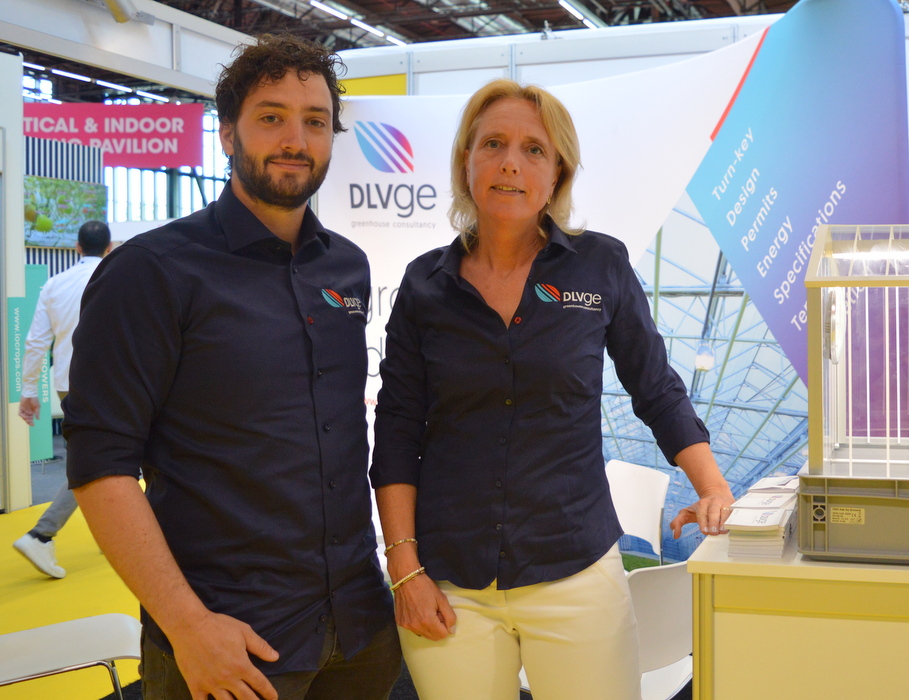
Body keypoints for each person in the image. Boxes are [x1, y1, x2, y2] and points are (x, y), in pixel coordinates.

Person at [371, 79, 735, 700]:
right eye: (493, 144)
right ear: (466, 160)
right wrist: (403, 568)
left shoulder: (599, 266)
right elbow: (398, 428)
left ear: (558, 172)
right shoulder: (424, 285)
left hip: (576, 573)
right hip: (451, 581)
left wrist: (713, 487)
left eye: (534, 149)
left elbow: (655, 387)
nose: (511, 163)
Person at [63, 34, 400, 700]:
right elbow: (100, 465)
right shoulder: (151, 272)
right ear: (226, 134)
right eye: (271, 117)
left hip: (360, 628)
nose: (295, 140)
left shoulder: (346, 268)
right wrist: (186, 625)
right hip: (228, 642)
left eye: (315, 121)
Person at [11, 221, 113, 579]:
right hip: (113, 383)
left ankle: (115, 534)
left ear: (77, 247)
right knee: (99, 461)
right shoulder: (117, 276)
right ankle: (41, 534)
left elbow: (37, 341)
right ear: (110, 248)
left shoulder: (54, 284)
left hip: (67, 383)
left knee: (103, 458)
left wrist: (28, 391)